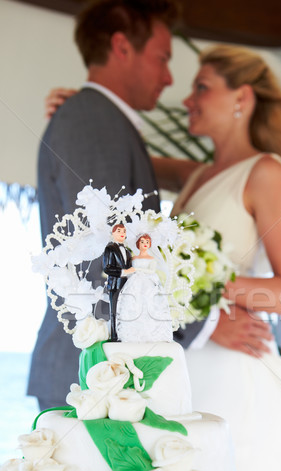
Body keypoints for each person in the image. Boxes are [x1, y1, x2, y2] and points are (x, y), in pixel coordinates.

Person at [157, 44, 281, 471]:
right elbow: (129, 156)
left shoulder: (265, 173)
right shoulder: (195, 175)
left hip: (232, 369)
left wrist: (199, 285)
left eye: (202, 87)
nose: (188, 99)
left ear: (242, 98)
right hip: (188, 362)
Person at [28, 0, 180, 411]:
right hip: (93, 374)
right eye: (162, 58)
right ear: (121, 46)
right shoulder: (93, 121)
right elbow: (103, 263)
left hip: (101, 372)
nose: (169, 77)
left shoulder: (99, 118)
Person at [116, 233, 173, 342]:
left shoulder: (151, 258)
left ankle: (149, 331)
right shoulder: (134, 258)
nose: (145, 244)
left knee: (148, 302)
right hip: (134, 281)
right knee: (132, 302)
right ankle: (130, 331)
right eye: (142, 242)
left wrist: (138, 270)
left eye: (147, 242)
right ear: (138, 244)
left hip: (147, 282)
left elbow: (151, 271)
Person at [103, 223, 133, 341]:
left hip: (127, 285)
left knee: (125, 309)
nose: (122, 234)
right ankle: (115, 336)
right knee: (114, 311)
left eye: (124, 231)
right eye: (119, 231)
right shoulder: (110, 248)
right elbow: (107, 268)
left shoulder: (128, 251)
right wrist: (123, 272)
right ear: (113, 233)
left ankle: (125, 334)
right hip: (115, 284)